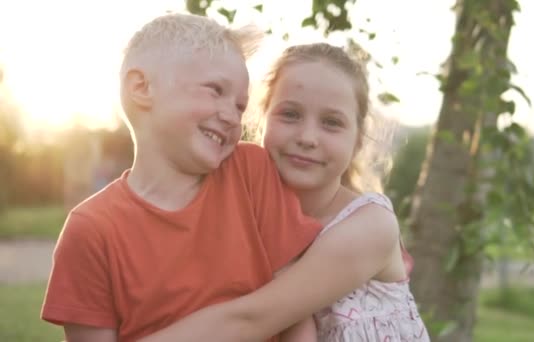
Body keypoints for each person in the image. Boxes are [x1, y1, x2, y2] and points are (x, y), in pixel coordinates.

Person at [41, 14, 321, 342]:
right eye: (216, 90)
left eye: (240, 106)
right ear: (141, 88)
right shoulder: (90, 231)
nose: (232, 116)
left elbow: (294, 313)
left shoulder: (250, 172)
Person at [139, 43, 429, 341]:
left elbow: (252, 318)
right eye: (290, 115)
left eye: (331, 123)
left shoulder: (371, 225)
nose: (307, 137)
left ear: (357, 140)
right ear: (261, 119)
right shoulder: (240, 208)